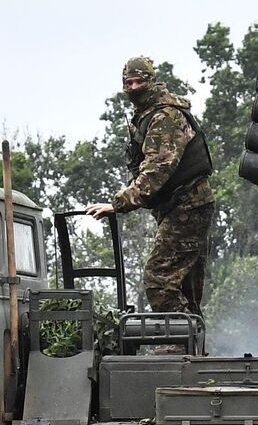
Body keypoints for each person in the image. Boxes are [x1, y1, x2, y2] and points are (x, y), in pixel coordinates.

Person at [83, 56, 214, 316]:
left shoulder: (166, 116)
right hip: (181, 207)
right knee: (184, 286)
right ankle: (190, 348)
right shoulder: (146, 116)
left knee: (159, 279)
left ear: (150, 82)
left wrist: (118, 204)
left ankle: (176, 345)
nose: (133, 88)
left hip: (188, 205)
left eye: (138, 82)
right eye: (128, 83)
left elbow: (158, 169)